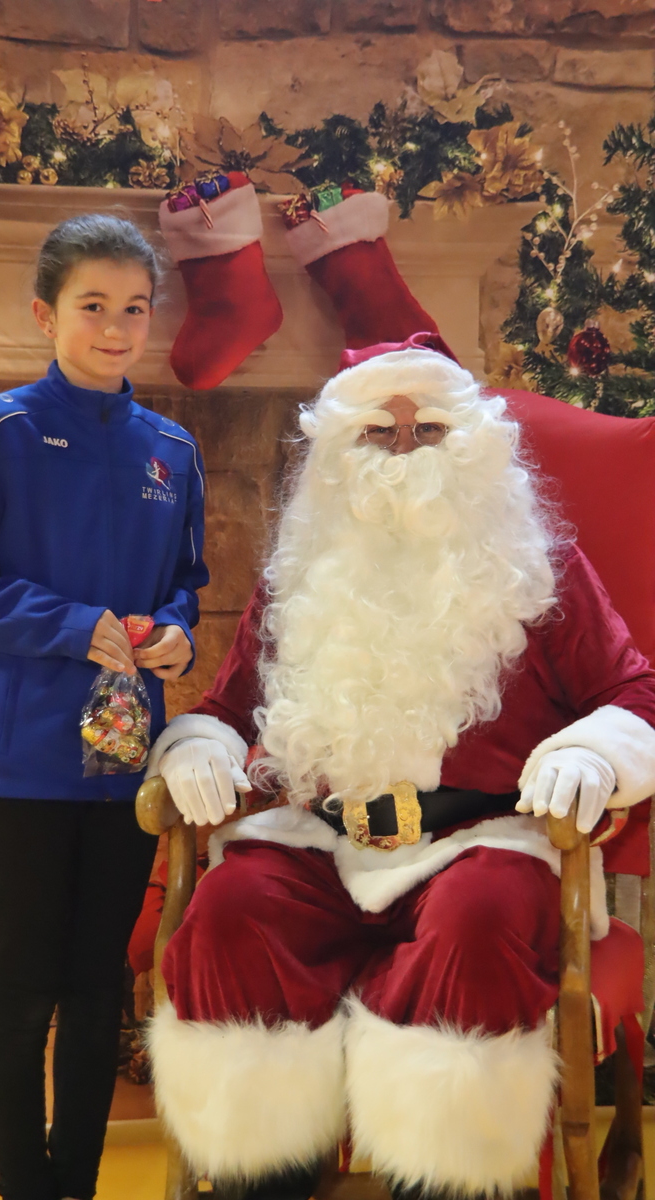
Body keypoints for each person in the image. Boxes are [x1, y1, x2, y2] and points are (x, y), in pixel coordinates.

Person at [144, 335, 655, 1200]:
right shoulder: (300, 573)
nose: (405, 451)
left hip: (479, 838)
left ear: (475, 444)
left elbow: (633, 692)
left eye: (431, 431)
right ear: (339, 451)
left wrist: (592, 751)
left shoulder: (540, 567)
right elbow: (227, 709)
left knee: (478, 920)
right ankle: (263, 1175)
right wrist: (199, 746)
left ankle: (449, 1181)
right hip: (317, 840)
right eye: (379, 431)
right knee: (230, 912)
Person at [0, 213, 209, 1200]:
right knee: (26, 978)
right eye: (93, 307)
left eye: (135, 308)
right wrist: (71, 626)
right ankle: (23, 1187)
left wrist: (176, 632)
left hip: (123, 759)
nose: (116, 328)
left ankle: (75, 1184)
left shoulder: (173, 449)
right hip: (20, 756)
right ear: (45, 315)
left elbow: (185, 583)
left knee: (95, 983)